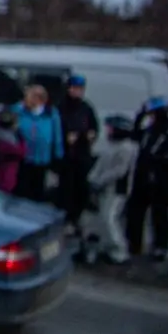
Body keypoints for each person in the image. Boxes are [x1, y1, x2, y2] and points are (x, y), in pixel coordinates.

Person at [128, 97, 168, 261]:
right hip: (143, 176)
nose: (150, 116)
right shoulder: (150, 128)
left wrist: (159, 164)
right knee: (135, 212)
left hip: (161, 178)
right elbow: (136, 135)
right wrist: (140, 116)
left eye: (152, 113)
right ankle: (134, 244)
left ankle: (160, 246)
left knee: (160, 214)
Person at [85, 114, 139, 265]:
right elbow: (100, 164)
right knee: (101, 218)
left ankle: (120, 250)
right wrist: (92, 179)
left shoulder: (127, 148)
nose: (108, 131)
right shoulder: (110, 146)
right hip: (103, 188)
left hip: (117, 190)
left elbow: (119, 171)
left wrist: (100, 181)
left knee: (110, 218)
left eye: (111, 129)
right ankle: (106, 247)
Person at [56, 75, 100, 248]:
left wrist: (91, 134)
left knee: (81, 191)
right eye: (74, 88)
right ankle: (66, 220)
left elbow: (95, 127)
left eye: (80, 89)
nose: (77, 92)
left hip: (82, 156)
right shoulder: (61, 108)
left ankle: (76, 219)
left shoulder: (86, 107)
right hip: (67, 157)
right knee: (65, 190)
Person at [12, 85, 63, 203]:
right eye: (30, 97)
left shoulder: (51, 113)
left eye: (37, 97)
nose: (31, 100)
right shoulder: (19, 111)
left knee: (38, 189)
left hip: (42, 159)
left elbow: (57, 135)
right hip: (24, 158)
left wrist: (58, 154)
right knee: (22, 189)